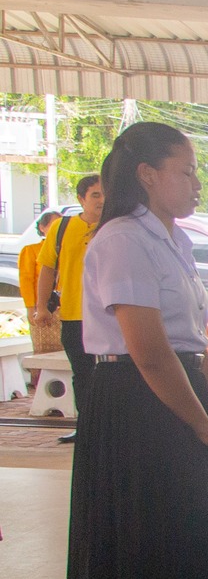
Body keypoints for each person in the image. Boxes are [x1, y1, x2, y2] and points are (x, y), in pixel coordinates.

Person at [2, 123, 208, 579]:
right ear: (147, 175)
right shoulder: (122, 239)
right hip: (137, 401)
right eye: (186, 170)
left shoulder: (171, 238)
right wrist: (201, 425)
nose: (197, 183)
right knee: (133, 545)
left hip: (170, 393)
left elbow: (193, 342)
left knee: (187, 541)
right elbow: (149, 350)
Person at [33, 174, 106, 443]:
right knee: (83, 374)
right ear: (81, 199)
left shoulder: (116, 226)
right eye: (95, 195)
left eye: (106, 194)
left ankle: (111, 428)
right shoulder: (62, 227)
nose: (102, 200)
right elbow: (47, 268)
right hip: (74, 315)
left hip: (110, 317)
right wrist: (42, 307)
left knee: (112, 374)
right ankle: (86, 427)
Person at [18, 209, 62, 354]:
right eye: (54, 224)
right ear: (42, 228)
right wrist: (31, 308)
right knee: (43, 351)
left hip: (66, 310)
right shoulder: (31, 250)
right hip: (43, 308)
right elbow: (26, 281)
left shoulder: (67, 250)